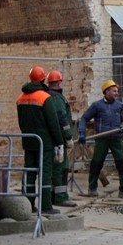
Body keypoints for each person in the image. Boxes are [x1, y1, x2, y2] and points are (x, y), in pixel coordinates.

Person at [16, 66, 65, 215]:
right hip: (45, 143)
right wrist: (59, 142)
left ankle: (28, 205)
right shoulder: (44, 98)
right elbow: (53, 122)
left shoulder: (20, 98)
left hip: (28, 141)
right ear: (43, 79)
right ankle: (45, 206)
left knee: (29, 172)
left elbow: (21, 122)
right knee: (45, 173)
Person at [78, 79, 123, 199]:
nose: (117, 93)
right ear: (106, 92)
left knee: (121, 163)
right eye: (114, 91)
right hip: (102, 138)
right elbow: (84, 118)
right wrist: (81, 133)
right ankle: (92, 188)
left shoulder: (120, 106)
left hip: (116, 139)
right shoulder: (97, 106)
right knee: (96, 163)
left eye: (117, 91)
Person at [47, 70, 77, 208]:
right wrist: (68, 137)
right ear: (59, 82)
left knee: (53, 168)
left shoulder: (47, 96)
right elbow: (62, 119)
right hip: (59, 140)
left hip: (51, 139)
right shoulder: (58, 98)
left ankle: (53, 195)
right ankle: (61, 197)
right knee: (61, 168)